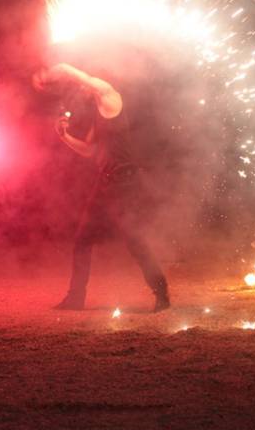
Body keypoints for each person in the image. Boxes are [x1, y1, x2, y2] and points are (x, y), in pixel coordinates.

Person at [33, 62, 170, 312]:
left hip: (125, 182)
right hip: (105, 182)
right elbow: (90, 150)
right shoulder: (99, 114)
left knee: (134, 241)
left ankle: (161, 294)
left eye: (89, 84)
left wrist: (63, 67)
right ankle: (75, 298)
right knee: (83, 239)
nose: (84, 89)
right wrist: (65, 136)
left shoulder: (111, 98)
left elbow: (87, 81)